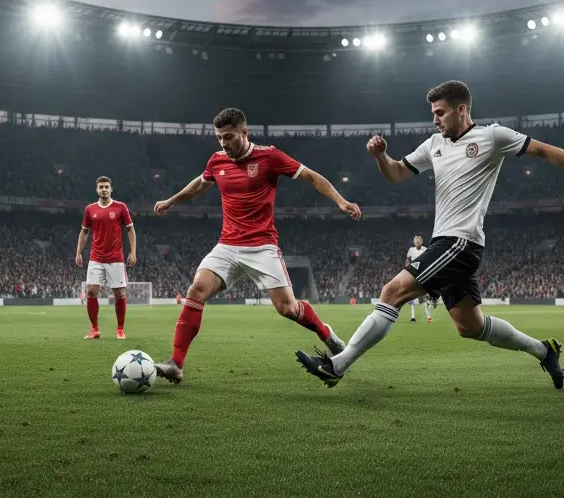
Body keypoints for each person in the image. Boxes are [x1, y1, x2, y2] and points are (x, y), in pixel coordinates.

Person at [295, 80, 564, 390]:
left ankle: (337, 365)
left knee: (391, 291)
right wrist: (380, 156)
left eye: (440, 112)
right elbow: (395, 173)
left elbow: (545, 151)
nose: (434, 119)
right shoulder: (433, 144)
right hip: (444, 243)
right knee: (471, 327)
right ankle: (544, 351)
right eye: (433, 113)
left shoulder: (493, 137)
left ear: (461, 109)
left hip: (462, 242)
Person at [152, 107, 362, 384]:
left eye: (228, 137)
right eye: (219, 138)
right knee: (196, 290)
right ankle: (176, 364)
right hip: (227, 245)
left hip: (262, 246)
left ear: (244, 132)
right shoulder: (216, 161)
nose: (223, 144)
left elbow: (312, 176)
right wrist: (171, 200)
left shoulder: (269, 157)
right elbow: (200, 185)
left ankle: (327, 334)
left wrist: (341, 201)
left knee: (288, 309)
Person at [75, 176, 137, 340]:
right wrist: (78, 252)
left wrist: (133, 251)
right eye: (101, 187)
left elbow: (130, 230)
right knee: (91, 291)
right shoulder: (90, 209)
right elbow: (84, 232)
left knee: (119, 293)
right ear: (97, 190)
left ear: (111, 189)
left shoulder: (120, 207)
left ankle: (120, 329)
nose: (104, 189)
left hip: (116, 258)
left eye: (106, 187)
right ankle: (95, 329)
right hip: (96, 257)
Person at [405, 235, 433, 323]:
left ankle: (429, 316)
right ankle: (413, 317)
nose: (417, 243)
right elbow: (407, 261)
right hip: (414, 274)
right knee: (412, 296)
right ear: (414, 242)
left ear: (421, 242)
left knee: (427, 296)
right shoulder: (411, 250)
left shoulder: (425, 250)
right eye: (415, 241)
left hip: (424, 274)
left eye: (418, 241)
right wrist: (407, 269)